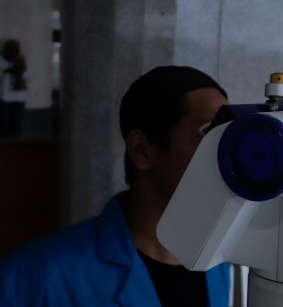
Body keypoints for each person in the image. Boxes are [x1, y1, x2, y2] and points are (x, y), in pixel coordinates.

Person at [0, 66, 231, 306]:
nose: (227, 153)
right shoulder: (35, 278)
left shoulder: (219, 265)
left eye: (228, 133)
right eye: (208, 133)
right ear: (141, 150)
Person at [0, 39, 28, 137]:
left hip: (20, 97)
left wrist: (19, 72)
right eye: (10, 49)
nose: (12, 52)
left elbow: (29, 75)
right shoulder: (1, 60)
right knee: (5, 124)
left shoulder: (21, 60)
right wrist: (8, 71)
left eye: (15, 49)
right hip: (6, 98)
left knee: (18, 124)